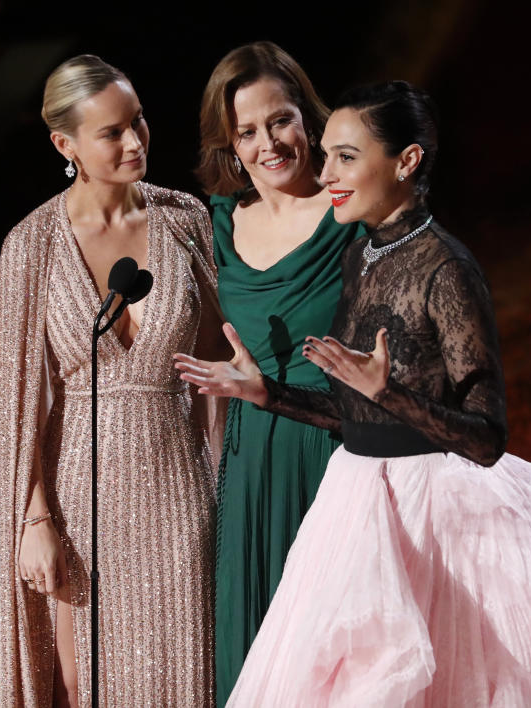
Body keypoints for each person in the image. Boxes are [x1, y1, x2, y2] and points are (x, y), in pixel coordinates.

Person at [176, 81, 531, 706]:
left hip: (436, 514)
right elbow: (355, 413)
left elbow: (486, 438)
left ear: (406, 161)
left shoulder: (447, 268)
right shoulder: (360, 257)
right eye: (326, 154)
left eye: (346, 157)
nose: (325, 171)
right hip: (357, 501)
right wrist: (265, 393)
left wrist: (391, 394)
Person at [0, 55, 223, 707]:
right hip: (79, 506)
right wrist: (35, 520)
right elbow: (21, 406)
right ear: (64, 145)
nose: (135, 141)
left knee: (192, 680)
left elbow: (225, 365)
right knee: (85, 685)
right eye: (112, 132)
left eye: (139, 121)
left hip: (182, 495)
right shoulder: (31, 247)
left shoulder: (186, 222)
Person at [194, 41, 364, 706]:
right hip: (250, 470)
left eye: (280, 119)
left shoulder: (353, 207)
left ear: (308, 119)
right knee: (260, 660)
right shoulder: (213, 228)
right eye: (247, 131)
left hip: (338, 456)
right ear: (229, 144)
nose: (268, 142)